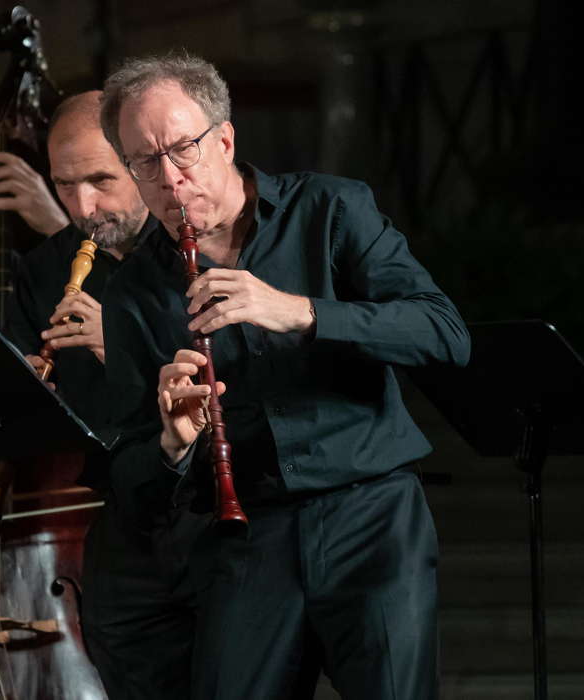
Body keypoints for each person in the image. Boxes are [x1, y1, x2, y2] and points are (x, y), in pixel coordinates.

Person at [98, 54, 470, 700]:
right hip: (247, 534)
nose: (169, 179)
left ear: (225, 139)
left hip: (370, 513)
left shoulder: (331, 209)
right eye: (144, 162)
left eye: (183, 149)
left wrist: (299, 312)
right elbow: (131, 477)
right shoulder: (132, 289)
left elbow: (444, 335)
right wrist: (173, 444)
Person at [1, 90, 211, 700]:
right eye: (65, 186)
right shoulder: (43, 269)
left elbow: (221, 385)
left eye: (100, 180)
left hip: (204, 511)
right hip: (114, 514)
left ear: (141, 165)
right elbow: (28, 411)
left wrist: (116, 345)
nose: (83, 207)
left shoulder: (194, 251)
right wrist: (23, 381)